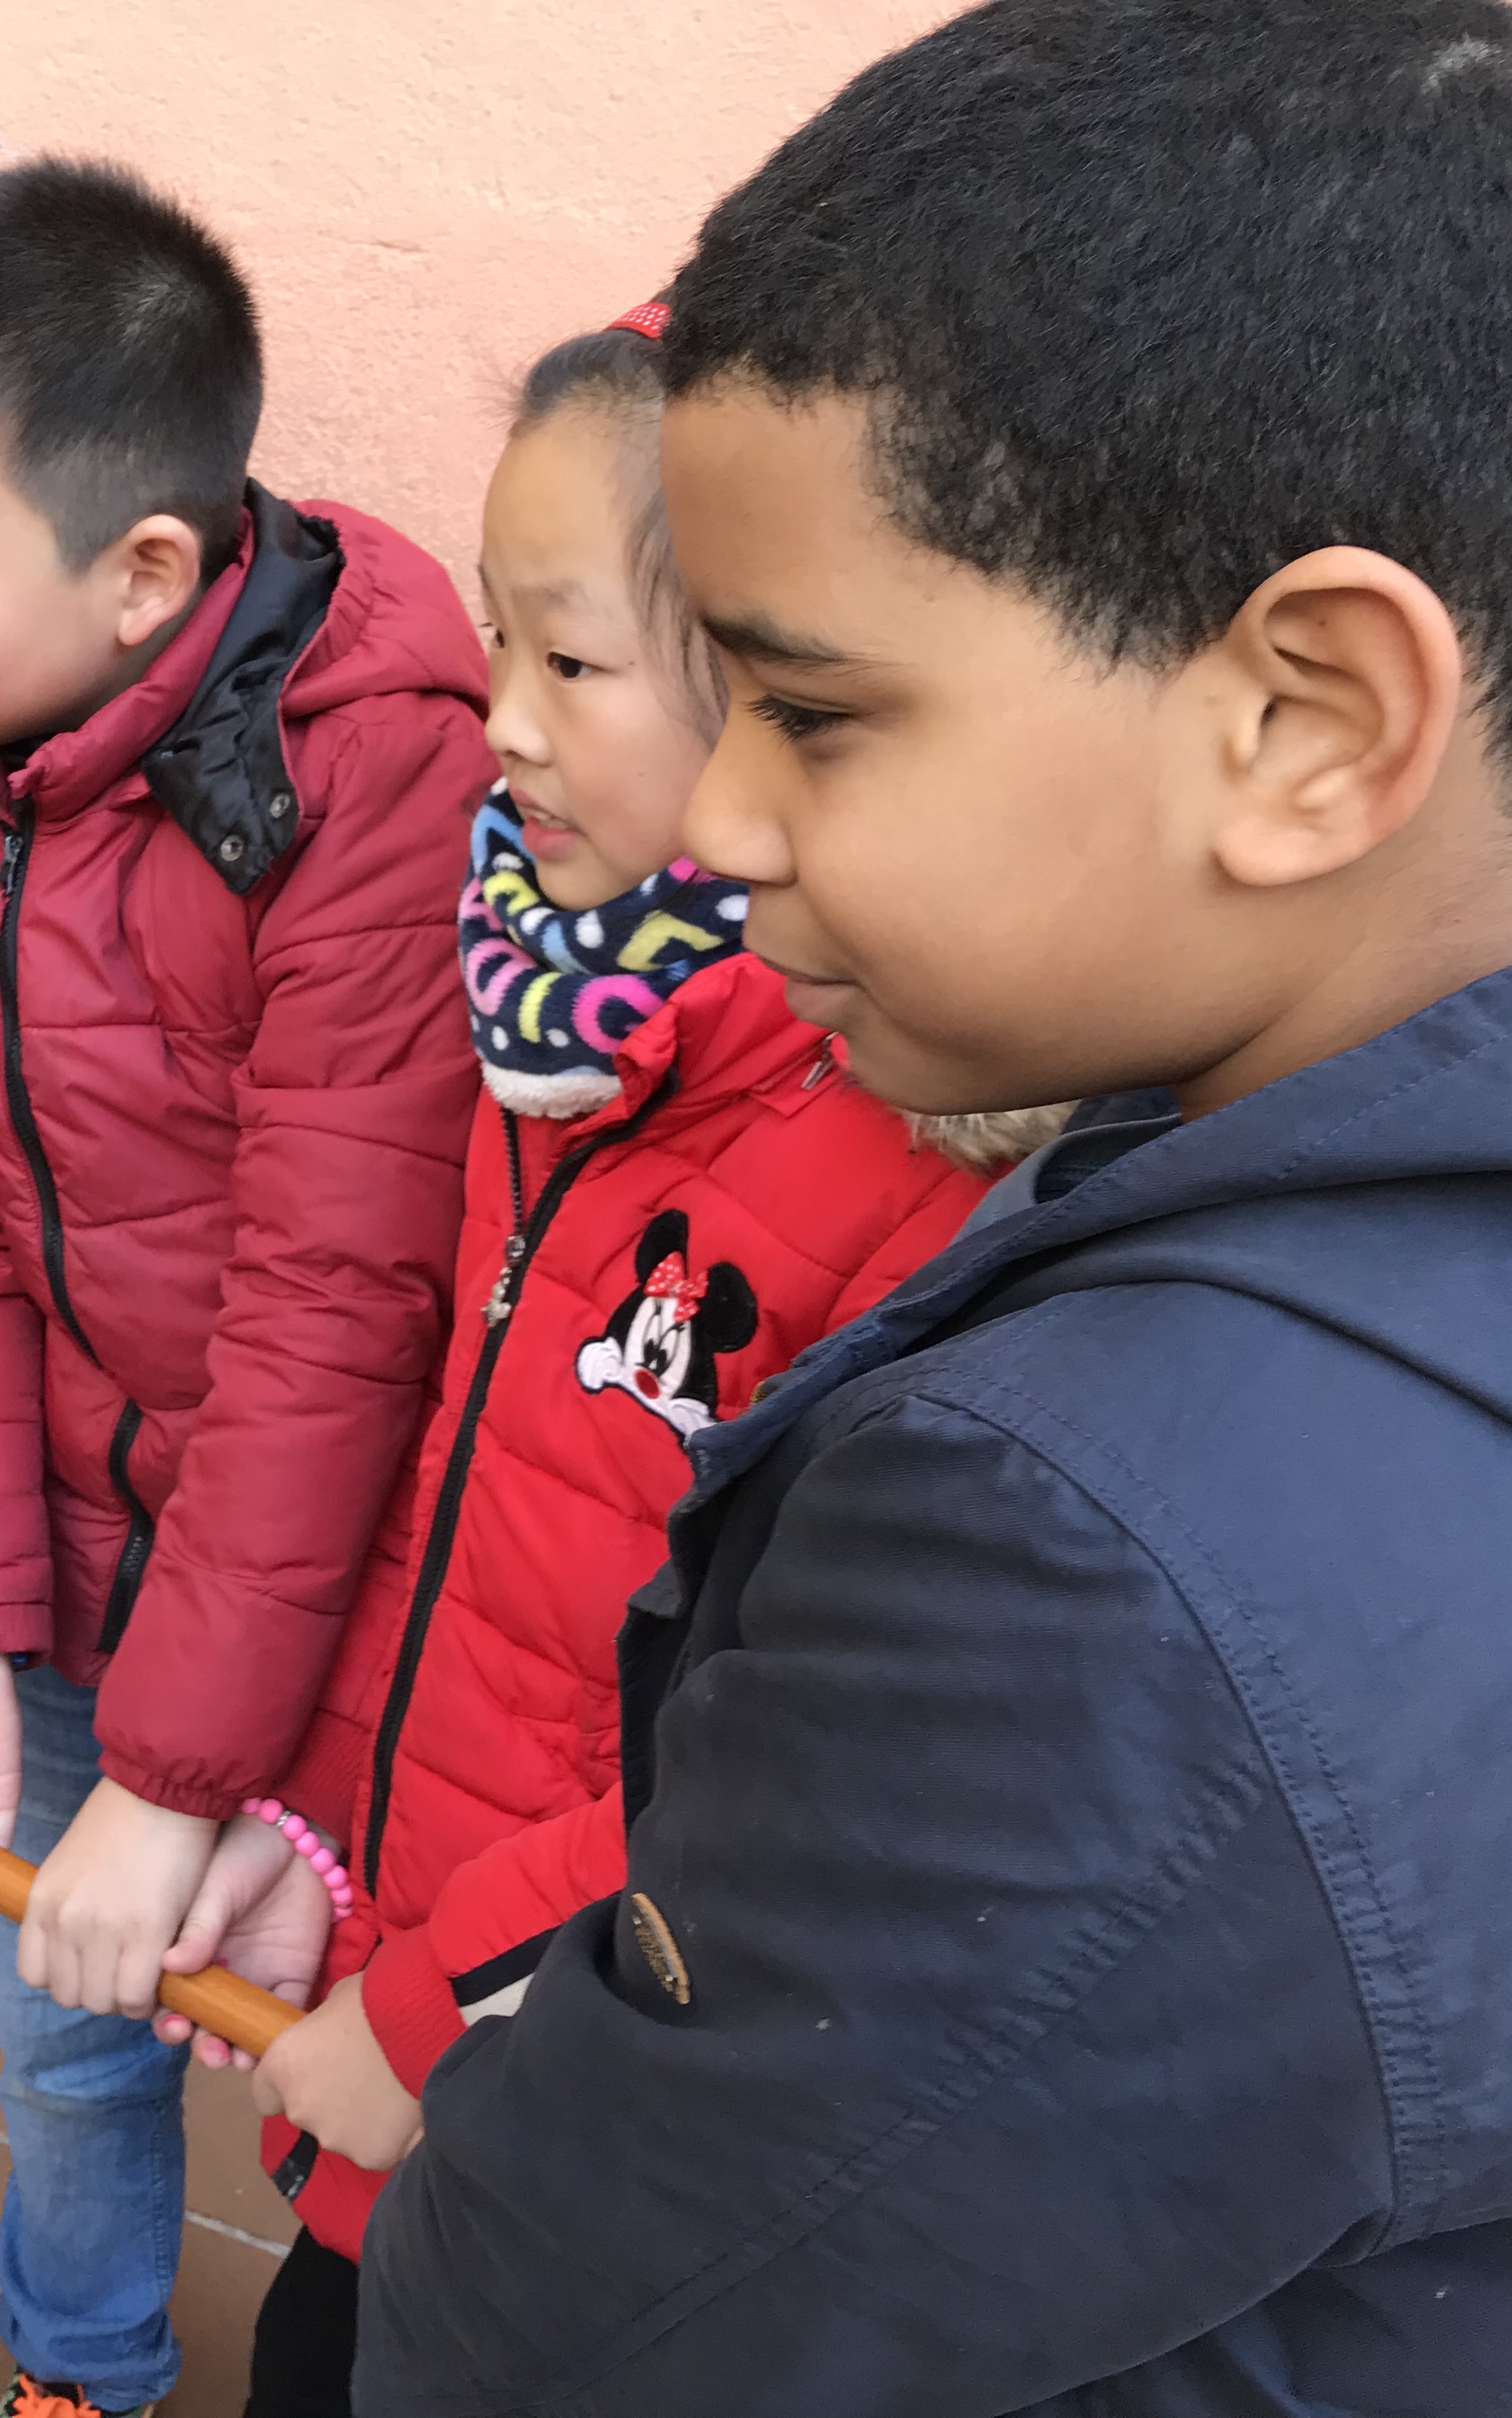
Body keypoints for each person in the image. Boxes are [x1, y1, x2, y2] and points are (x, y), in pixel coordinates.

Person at [352, 3, 1512, 2412]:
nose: (726, 823)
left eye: (815, 713)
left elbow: (557, 2333)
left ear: (1310, 721)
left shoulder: (1080, 1567)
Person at [149, 309, 1061, 2415]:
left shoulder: (917, 1159)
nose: (503, 723)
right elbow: (448, 1514)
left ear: (785, 694)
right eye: (497, 643)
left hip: (597, 2089)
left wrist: (432, 2008)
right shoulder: (540, 1033)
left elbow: (781, 1754)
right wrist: (320, 1853)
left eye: (571, 660)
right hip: (415, 2013)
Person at [0, 160, 493, 2418]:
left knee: (348, 2077)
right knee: (68, 2019)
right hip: (85, 1554)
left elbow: (335, 1308)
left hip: (353, 1588)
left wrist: (186, 1771)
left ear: (146, 575)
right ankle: (79, 2361)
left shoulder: (368, 778)